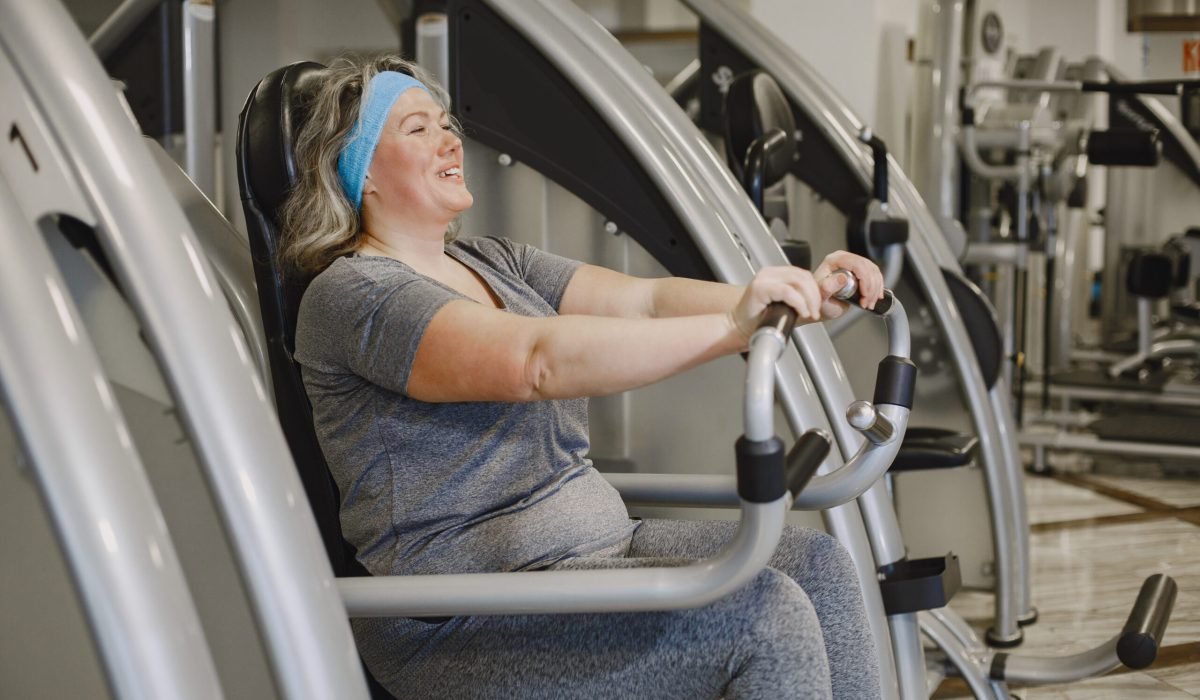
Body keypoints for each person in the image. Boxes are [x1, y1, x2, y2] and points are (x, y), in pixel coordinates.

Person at [283, 55, 884, 700]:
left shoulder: (493, 259)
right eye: (417, 129)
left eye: (447, 123)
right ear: (362, 169)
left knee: (817, 568)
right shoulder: (354, 294)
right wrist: (735, 329)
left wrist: (786, 297)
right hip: (465, 613)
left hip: (593, 550)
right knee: (763, 619)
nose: (450, 139)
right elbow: (533, 362)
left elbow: (644, 302)